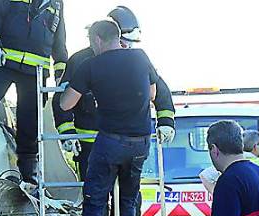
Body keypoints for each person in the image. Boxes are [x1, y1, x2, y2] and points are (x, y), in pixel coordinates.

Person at [60, 20, 156, 216]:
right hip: (140, 142)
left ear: (98, 40)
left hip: (110, 142)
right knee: (127, 200)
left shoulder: (91, 64)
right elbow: (152, 92)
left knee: (95, 201)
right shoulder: (139, 57)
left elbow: (66, 104)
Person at [53, 6, 176, 179]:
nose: (126, 47)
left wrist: (165, 121)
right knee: (95, 196)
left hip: (125, 144)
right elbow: (61, 100)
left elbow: (159, 91)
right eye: (123, 41)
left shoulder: (136, 60)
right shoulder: (80, 61)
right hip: (90, 144)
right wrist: (67, 133)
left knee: (128, 197)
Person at [0, 0, 68, 183]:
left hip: (35, 72)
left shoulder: (57, 3)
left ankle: (30, 178)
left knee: (30, 126)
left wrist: (62, 72)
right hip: (3, 61)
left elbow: (59, 41)